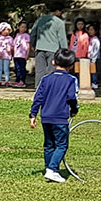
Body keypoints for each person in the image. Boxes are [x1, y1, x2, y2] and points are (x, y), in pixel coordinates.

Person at [30, 49, 79, 182]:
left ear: (53, 62)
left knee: (49, 144)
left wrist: (33, 114)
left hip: (46, 116)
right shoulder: (71, 80)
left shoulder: (45, 79)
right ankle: (52, 169)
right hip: (60, 118)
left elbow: (38, 97)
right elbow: (71, 97)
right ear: (71, 65)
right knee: (62, 145)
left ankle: (48, 168)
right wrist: (74, 109)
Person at [29, 1, 67, 84]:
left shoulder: (40, 19)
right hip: (53, 49)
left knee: (40, 70)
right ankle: (49, 87)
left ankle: (39, 87)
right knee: (51, 70)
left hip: (39, 48)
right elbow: (62, 39)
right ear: (57, 11)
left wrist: (32, 44)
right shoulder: (59, 23)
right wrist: (65, 51)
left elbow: (33, 33)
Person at [68, 19, 89, 86]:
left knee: (79, 71)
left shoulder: (85, 34)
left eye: (81, 24)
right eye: (78, 24)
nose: (80, 26)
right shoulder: (74, 33)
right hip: (73, 53)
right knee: (72, 70)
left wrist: (84, 54)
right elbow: (71, 43)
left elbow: (86, 45)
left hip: (80, 55)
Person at [0, 22, 14, 87]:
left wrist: (10, 49)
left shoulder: (10, 38)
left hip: (7, 55)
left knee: (6, 68)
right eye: (5, 30)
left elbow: (13, 47)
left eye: (8, 30)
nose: (6, 31)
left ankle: (7, 80)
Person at [12, 21, 31, 87]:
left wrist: (27, 54)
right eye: (22, 27)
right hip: (16, 55)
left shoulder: (27, 36)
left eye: (25, 27)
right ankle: (17, 80)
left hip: (23, 55)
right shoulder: (17, 35)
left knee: (22, 68)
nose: (23, 29)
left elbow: (28, 46)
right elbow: (14, 45)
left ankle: (22, 80)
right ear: (18, 27)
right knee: (17, 68)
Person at [86, 23, 101, 90]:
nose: (90, 31)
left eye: (92, 30)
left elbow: (96, 50)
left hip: (94, 58)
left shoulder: (96, 40)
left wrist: (94, 58)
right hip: (88, 57)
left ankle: (94, 83)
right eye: (89, 30)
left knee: (94, 71)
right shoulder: (88, 38)